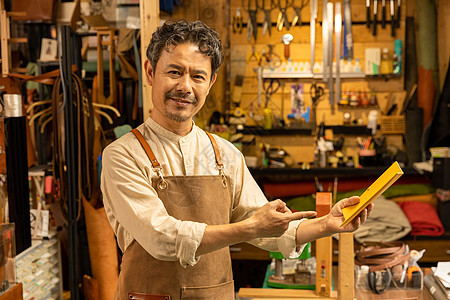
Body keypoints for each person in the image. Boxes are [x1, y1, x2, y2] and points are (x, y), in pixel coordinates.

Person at [101, 19, 373, 300]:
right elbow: (162, 238)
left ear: (211, 83)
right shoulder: (122, 155)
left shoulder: (224, 153)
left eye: (197, 76)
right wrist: (250, 227)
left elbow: (266, 230)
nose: (185, 87)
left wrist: (326, 224)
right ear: (150, 72)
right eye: (174, 72)